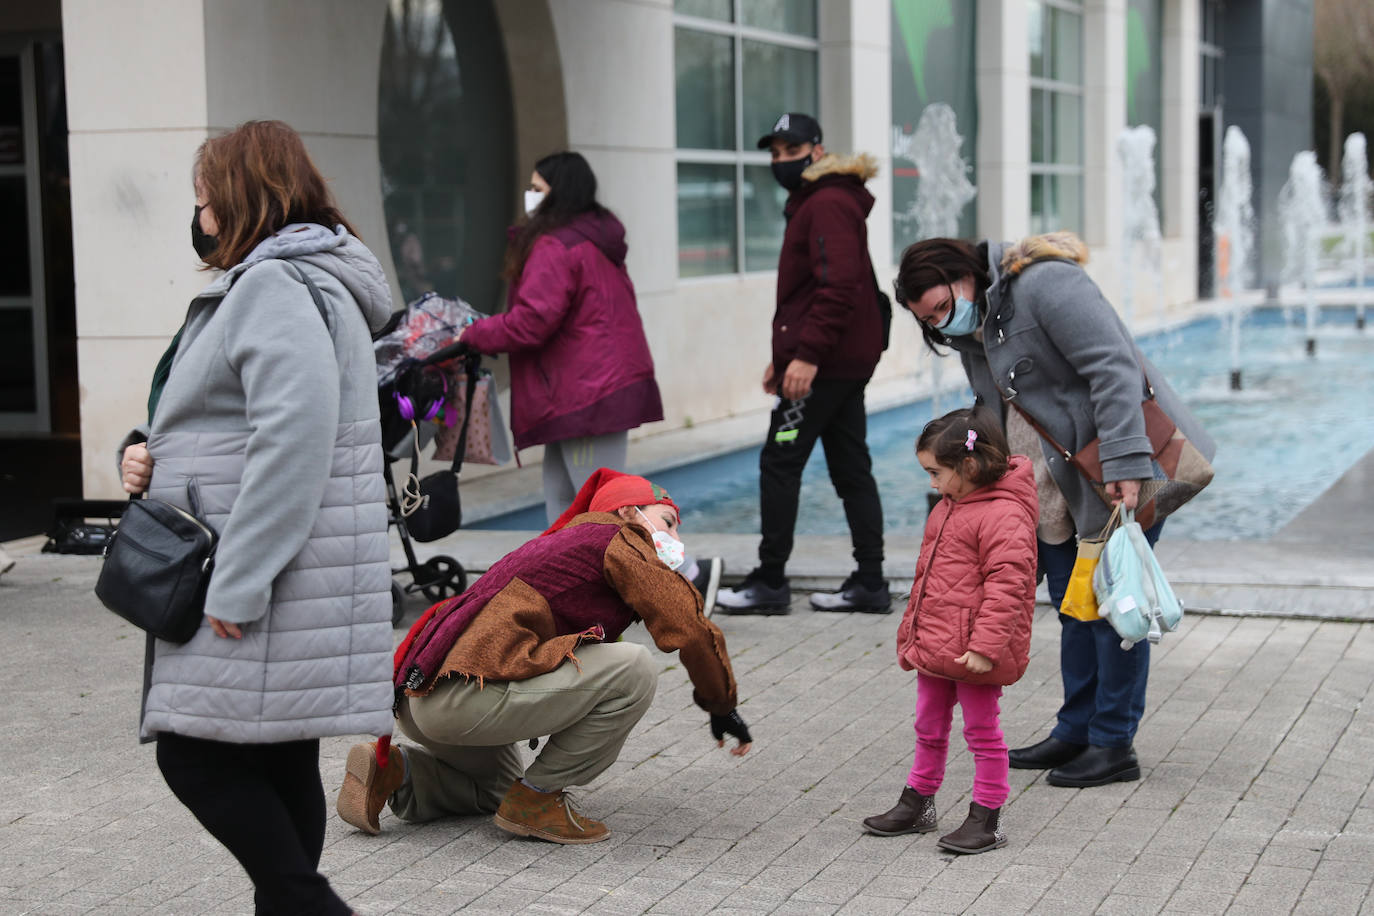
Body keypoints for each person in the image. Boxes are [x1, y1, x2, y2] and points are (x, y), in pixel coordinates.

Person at [117, 120, 395, 916]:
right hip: (283, 562)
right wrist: (143, 453)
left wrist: (237, 586)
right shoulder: (298, 280)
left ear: (237, 202)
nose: (198, 218)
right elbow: (222, 419)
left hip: (251, 569)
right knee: (276, 759)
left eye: (203, 202)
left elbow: (293, 439)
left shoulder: (273, 287)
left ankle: (311, 906)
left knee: (192, 759)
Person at [892, 232, 1215, 788]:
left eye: (944, 306)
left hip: (1110, 474)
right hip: (1052, 485)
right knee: (1074, 608)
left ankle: (1113, 744)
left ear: (964, 272)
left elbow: (1115, 370)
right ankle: (1075, 729)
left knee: (1117, 611)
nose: (943, 323)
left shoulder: (1045, 282)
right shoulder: (976, 326)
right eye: (930, 320)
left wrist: (1124, 467)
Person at [336, 469, 754, 845]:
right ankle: (539, 801)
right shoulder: (619, 538)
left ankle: (395, 771)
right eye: (668, 523)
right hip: (466, 697)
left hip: (421, 700)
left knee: (497, 790)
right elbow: (690, 626)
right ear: (628, 512)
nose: (676, 540)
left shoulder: (559, 544)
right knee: (634, 668)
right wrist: (721, 704)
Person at [458, 151, 721, 606]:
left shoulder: (557, 246)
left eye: (538, 188)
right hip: (585, 389)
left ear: (560, 193)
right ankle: (574, 591)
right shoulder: (589, 240)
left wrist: (473, 334)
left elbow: (532, 321)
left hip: (584, 394)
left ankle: (691, 575)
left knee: (614, 503)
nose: (530, 196)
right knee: (566, 503)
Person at [715, 112, 889, 616]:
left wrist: (806, 357)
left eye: (790, 151)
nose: (780, 161)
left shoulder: (828, 203)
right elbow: (819, 289)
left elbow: (837, 288)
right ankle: (871, 582)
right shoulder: (823, 199)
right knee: (851, 466)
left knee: (780, 461)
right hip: (837, 361)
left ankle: (769, 582)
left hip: (827, 364)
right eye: (773, 153)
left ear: (816, 151)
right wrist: (786, 358)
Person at [862, 408, 1037, 854]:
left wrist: (984, 647)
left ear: (971, 466)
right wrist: (913, 633)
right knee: (928, 724)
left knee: (982, 732)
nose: (932, 483)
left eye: (936, 472)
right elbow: (927, 579)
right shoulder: (948, 506)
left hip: (975, 651)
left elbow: (1009, 586)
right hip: (938, 643)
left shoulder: (1004, 514)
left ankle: (987, 817)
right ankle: (918, 801)